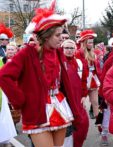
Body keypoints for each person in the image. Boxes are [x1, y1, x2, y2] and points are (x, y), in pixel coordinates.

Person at [0, 1, 81, 146]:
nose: (61, 39)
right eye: (57, 35)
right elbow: (4, 76)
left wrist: (75, 106)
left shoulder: (58, 52)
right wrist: (20, 101)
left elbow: (64, 82)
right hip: (36, 109)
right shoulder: (27, 53)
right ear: (46, 36)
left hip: (59, 105)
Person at [62, 39, 89, 147]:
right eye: (66, 48)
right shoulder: (59, 61)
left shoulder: (79, 62)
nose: (69, 50)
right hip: (64, 99)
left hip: (77, 98)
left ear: (75, 49)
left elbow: (83, 80)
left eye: (71, 48)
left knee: (82, 123)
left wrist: (83, 95)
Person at [75, 29, 100, 119]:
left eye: (92, 42)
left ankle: (100, 127)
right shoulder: (78, 53)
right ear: (84, 43)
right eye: (89, 42)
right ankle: (81, 125)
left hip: (93, 80)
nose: (91, 44)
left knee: (96, 103)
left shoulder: (94, 53)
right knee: (81, 105)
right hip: (82, 82)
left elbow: (97, 69)